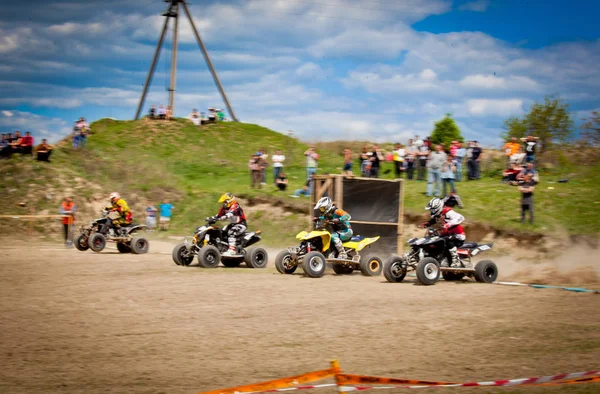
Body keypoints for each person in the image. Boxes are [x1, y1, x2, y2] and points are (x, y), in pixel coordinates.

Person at [422, 197, 466, 268]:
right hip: (445, 235)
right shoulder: (438, 215)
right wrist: (427, 223)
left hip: (458, 235)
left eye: (432, 209)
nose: (431, 211)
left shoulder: (448, 212)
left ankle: (456, 261)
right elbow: (433, 220)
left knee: (448, 240)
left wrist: (449, 224)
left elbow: (461, 217)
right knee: (433, 241)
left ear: (438, 207)